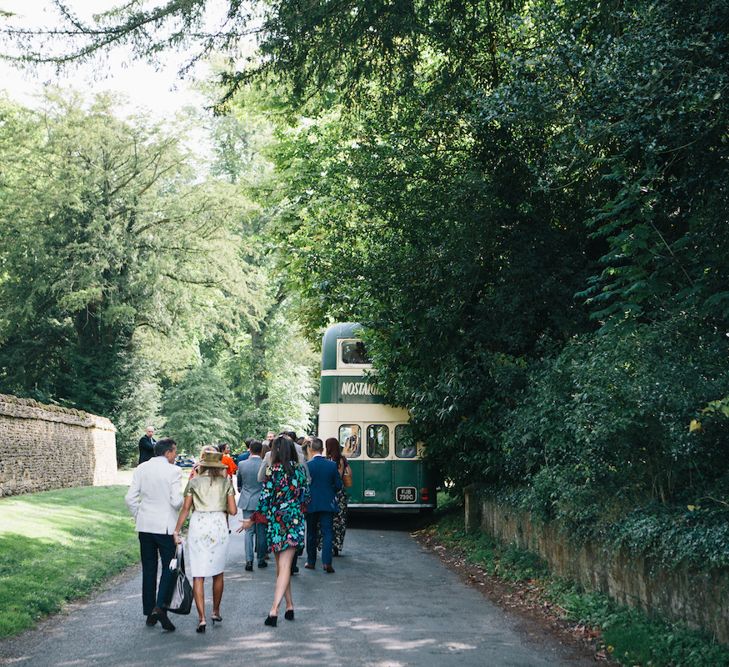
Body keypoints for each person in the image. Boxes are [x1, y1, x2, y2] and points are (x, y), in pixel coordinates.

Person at [240, 435, 309, 627]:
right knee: (283, 568)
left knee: (282, 566)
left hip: (276, 521)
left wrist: (251, 520)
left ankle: (274, 610)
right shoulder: (299, 471)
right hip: (293, 520)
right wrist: (295, 506)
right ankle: (289, 605)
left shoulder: (272, 471)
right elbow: (306, 497)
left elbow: (265, 499)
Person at [173, 447, 237, 634]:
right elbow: (233, 511)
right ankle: (215, 611)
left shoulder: (193, 482)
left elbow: (185, 508)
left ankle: (201, 618)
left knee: (198, 574)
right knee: (218, 572)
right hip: (218, 524)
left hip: (199, 524)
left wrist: (177, 530)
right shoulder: (226, 484)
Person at [125, 437, 182, 631]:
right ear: (168, 452)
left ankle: (149, 610)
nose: (176, 456)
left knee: (149, 569)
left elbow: (130, 498)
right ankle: (160, 605)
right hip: (165, 527)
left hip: (145, 526)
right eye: (175, 452)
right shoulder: (174, 470)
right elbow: (175, 502)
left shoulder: (141, 468)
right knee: (169, 567)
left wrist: (139, 515)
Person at [304, 437, 342, 573]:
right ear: (322, 449)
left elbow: (304, 486)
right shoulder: (331, 465)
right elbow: (338, 485)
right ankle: (327, 562)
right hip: (328, 503)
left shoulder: (307, 466)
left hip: (311, 504)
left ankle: (311, 561)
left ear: (311, 449)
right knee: (327, 533)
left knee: (311, 533)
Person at [236, 440, 267, 571]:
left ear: (250, 450)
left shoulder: (242, 464)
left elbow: (239, 482)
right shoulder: (265, 464)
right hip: (261, 501)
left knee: (248, 532)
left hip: (247, 500)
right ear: (261, 451)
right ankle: (260, 559)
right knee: (261, 531)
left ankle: (249, 560)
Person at [322, 437, 350, 557]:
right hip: (340, 492)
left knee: (328, 520)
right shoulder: (342, 459)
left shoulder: (327, 460)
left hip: (329, 492)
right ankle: (337, 545)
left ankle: (327, 545)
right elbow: (349, 472)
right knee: (340, 520)